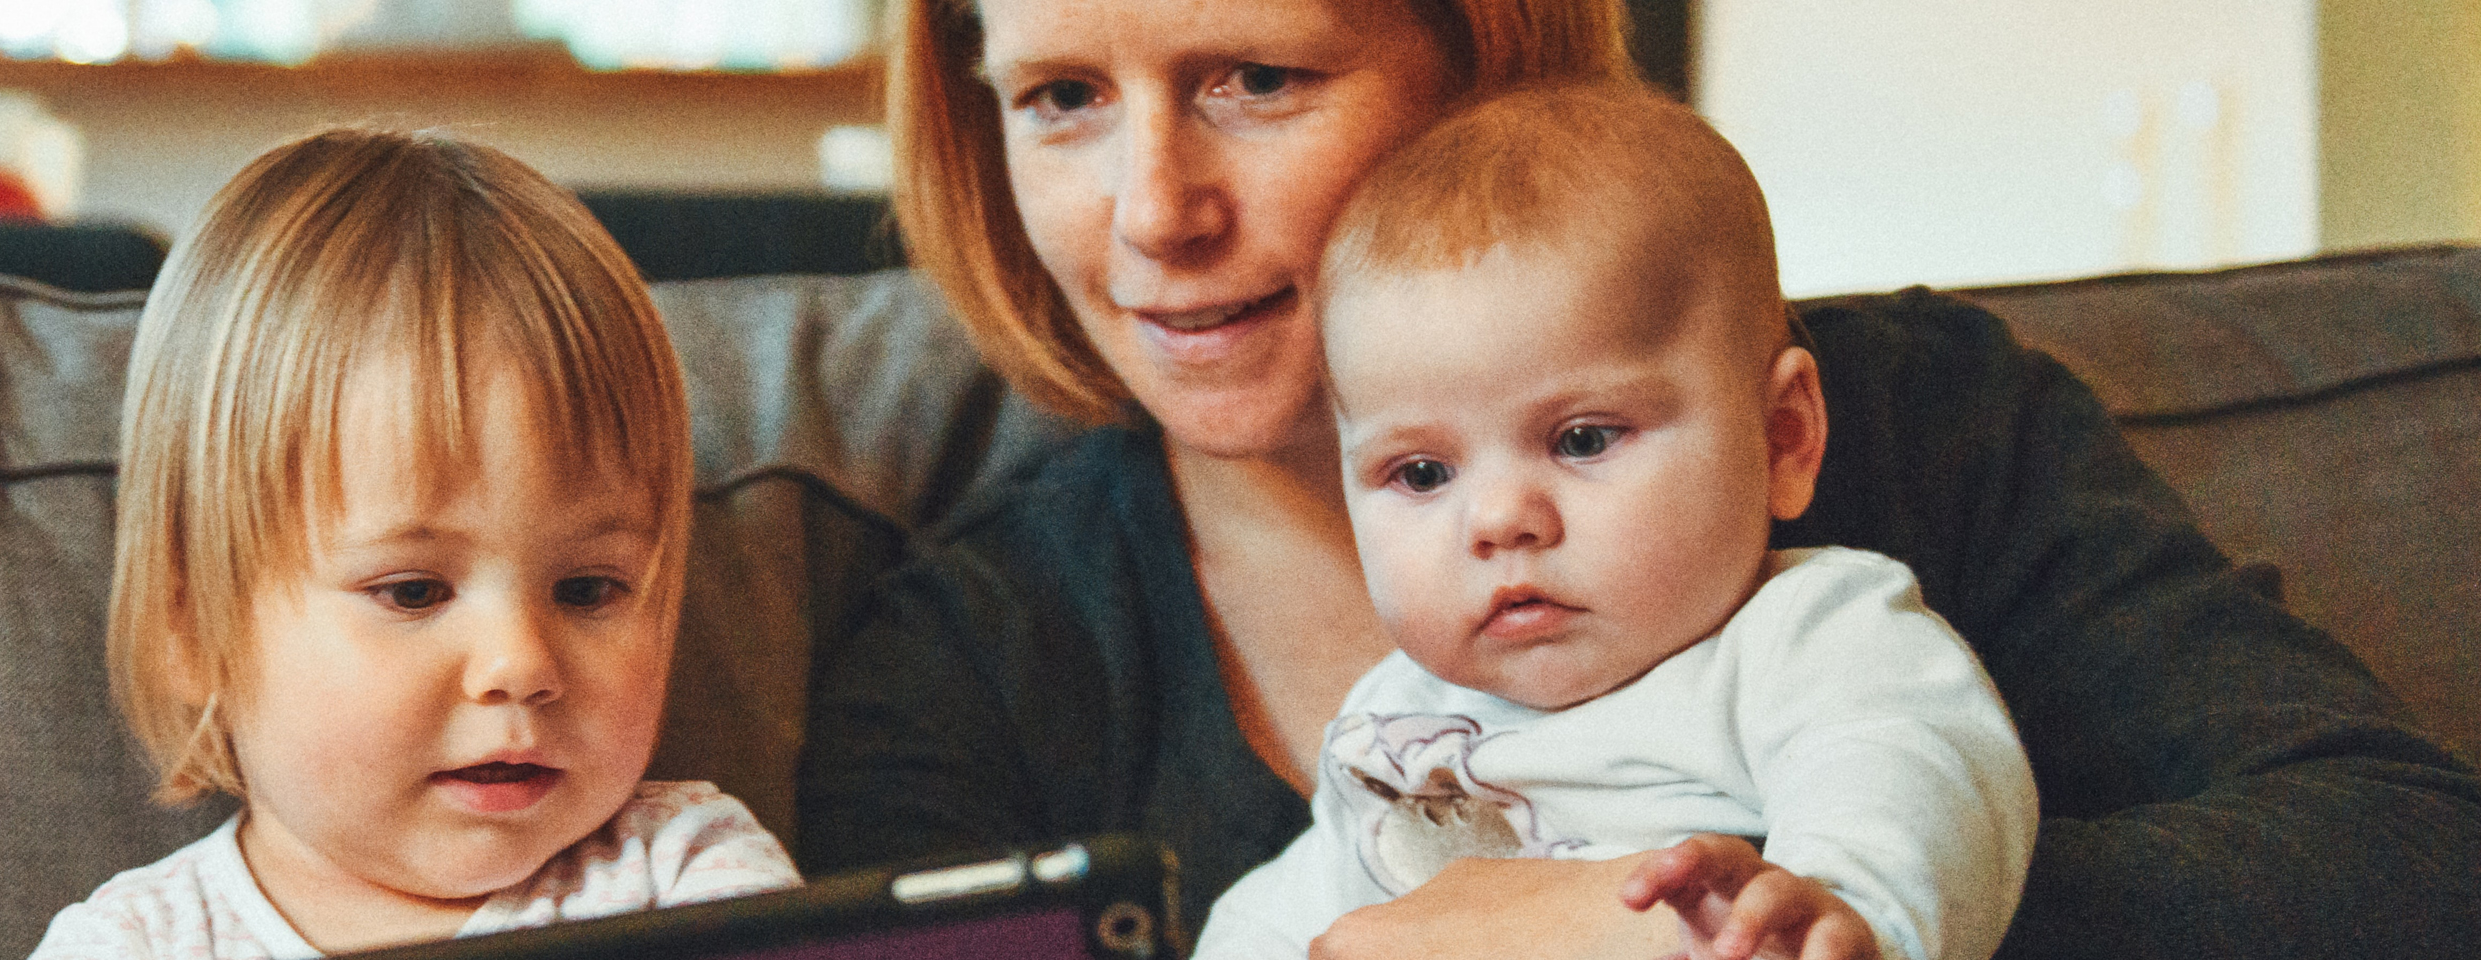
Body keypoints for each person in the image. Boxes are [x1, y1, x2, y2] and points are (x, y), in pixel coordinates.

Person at [796, 1, 2481, 958]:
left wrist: (1748, 913)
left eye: (1259, 79)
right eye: (1066, 99)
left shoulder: (1921, 439)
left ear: (1492, 58)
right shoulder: (963, 668)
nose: (1156, 211)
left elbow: (2406, 863)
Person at [1190, 84, 2034, 960]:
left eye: (1583, 439)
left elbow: (1911, 777)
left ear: (1783, 438)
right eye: (1422, 472)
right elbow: (1296, 905)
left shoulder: (1805, 642)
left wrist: (1845, 916)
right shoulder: (1399, 714)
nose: (1498, 519)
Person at [30, 127, 798, 960]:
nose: (520, 666)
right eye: (413, 591)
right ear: (192, 626)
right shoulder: (136, 944)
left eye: (587, 589)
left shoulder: (689, 880)